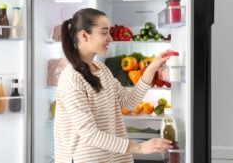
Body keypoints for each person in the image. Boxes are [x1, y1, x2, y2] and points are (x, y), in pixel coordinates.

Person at [54, 8, 173, 163]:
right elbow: (89, 134)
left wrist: (151, 69)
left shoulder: (102, 69)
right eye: (104, 32)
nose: (110, 38)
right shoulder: (71, 78)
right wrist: (139, 148)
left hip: (111, 158)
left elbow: (129, 102)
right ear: (84, 35)